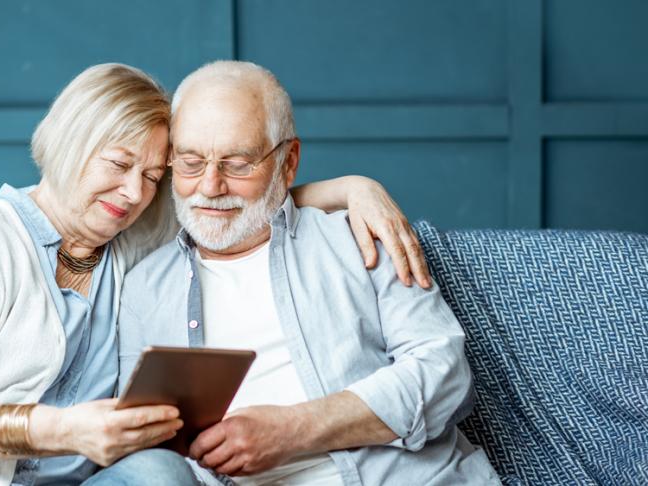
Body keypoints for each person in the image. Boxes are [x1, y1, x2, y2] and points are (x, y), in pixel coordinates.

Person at [0, 63, 429, 486]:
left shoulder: (129, 240)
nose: (134, 192)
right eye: (118, 165)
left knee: (158, 471)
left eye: (154, 175)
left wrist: (355, 189)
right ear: (68, 143)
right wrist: (61, 430)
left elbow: (231, 200)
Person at [117, 61, 501, 485]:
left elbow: (444, 374)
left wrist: (295, 429)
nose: (210, 186)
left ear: (288, 161)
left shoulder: (359, 238)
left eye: (238, 163)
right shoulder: (143, 288)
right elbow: (141, 447)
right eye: (191, 163)